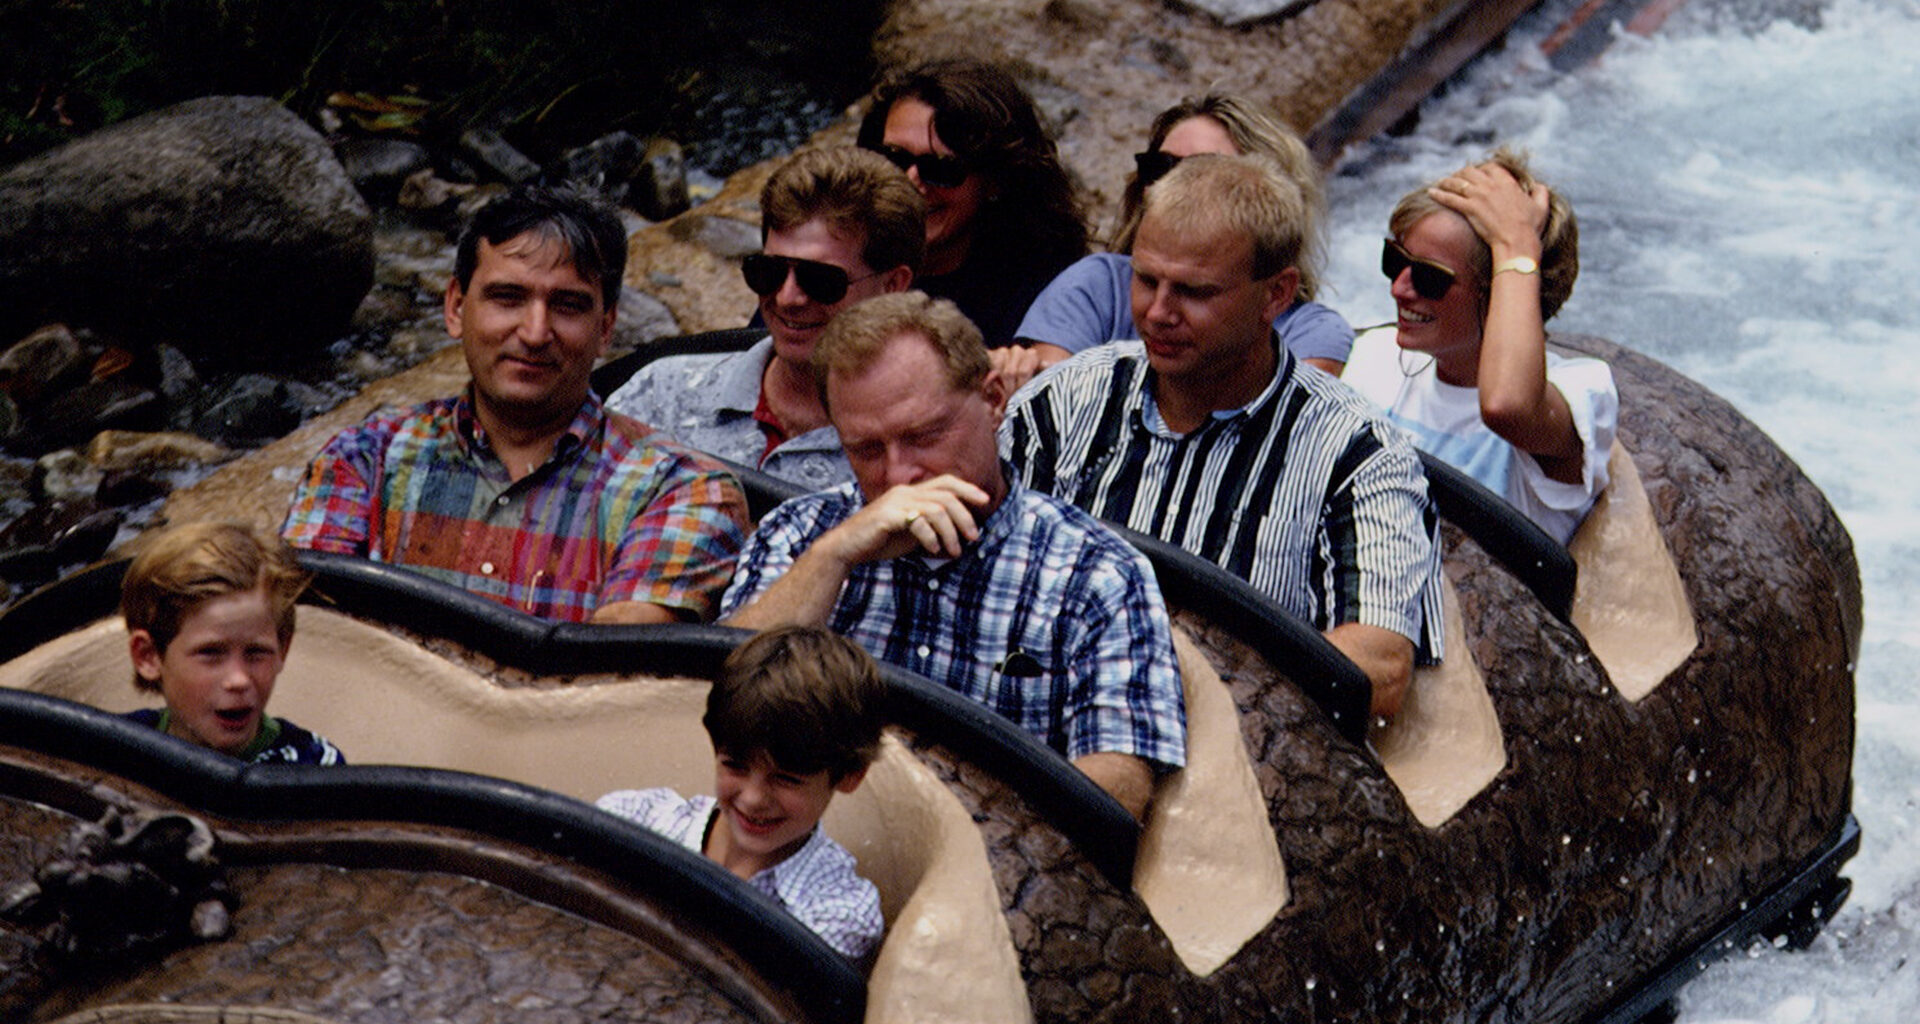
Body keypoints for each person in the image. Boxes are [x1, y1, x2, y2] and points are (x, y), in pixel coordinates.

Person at [1000, 154, 1443, 719]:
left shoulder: (1357, 453)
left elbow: (1377, 671)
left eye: (1194, 292)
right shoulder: (1058, 405)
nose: (1157, 313)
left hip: (1240, 763)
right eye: (1145, 279)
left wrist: (1152, 701)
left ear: (1276, 296)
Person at [721, 292, 1185, 822]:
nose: (899, 475)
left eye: (923, 436)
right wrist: (833, 559)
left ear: (992, 400)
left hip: (996, 869)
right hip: (793, 843)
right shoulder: (801, 535)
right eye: (867, 450)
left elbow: (1117, 786)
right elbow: (708, 711)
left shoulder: (1097, 573)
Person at [282, 184, 749, 624]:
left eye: (567, 305)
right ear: (456, 308)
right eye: (508, 298)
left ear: (606, 328)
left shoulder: (682, 490)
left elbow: (616, 681)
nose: (534, 333)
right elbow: (311, 642)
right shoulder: (362, 461)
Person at [1341, 148, 1616, 545]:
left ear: (1502, 288)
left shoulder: (1582, 391)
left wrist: (1517, 245)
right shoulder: (1375, 356)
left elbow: (1508, 407)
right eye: (1394, 260)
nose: (1398, 288)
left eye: (1429, 277)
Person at [606, 147, 923, 490]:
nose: (788, 298)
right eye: (768, 272)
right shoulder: (659, 397)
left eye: (820, 280)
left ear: (892, 286)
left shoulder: (931, 446)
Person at [1013, 93, 1353, 382]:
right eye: (1160, 168)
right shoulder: (1097, 285)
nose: (1174, 189)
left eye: (1205, 173)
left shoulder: (1311, 333)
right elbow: (1053, 403)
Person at [596, 625, 885, 963]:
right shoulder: (633, 819)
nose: (752, 798)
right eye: (735, 766)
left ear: (850, 776)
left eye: (787, 779)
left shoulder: (839, 912)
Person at [856, 57, 1088, 379]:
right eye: (893, 158)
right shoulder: (833, 253)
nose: (910, 181)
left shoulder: (1048, 290)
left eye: (941, 168)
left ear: (994, 179)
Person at [121, 521, 344, 765]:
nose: (239, 679)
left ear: (283, 650)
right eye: (211, 652)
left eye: (256, 652)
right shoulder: (116, 750)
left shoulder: (314, 765)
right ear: (148, 656)